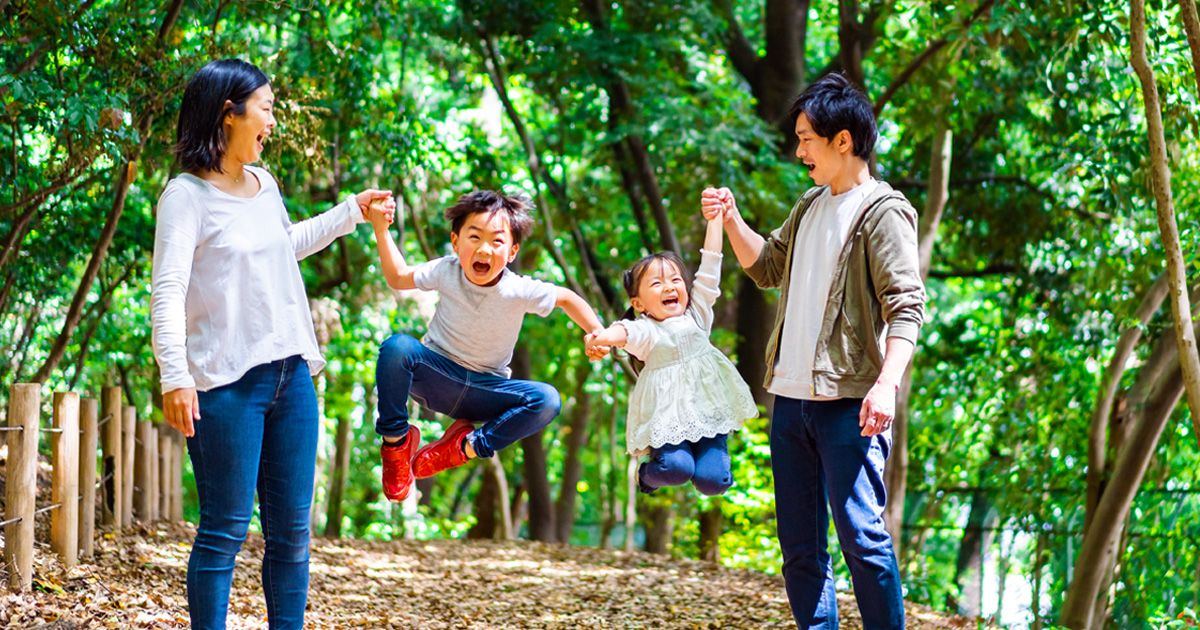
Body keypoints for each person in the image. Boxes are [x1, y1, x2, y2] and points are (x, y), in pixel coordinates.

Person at [151, 58, 394, 630]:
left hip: (292, 379)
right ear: (228, 114)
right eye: (266, 108)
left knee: (291, 534)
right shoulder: (184, 197)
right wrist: (175, 376)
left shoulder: (265, 186)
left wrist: (349, 212)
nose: (272, 122)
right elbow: (168, 291)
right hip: (226, 385)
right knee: (225, 530)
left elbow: (284, 246)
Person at [702, 72, 925, 629]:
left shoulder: (883, 211)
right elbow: (766, 266)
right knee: (801, 550)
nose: (799, 149)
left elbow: (907, 306)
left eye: (806, 138)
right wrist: (731, 219)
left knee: (863, 541)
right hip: (790, 401)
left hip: (849, 403)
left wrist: (885, 384)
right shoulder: (809, 206)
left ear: (842, 140)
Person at [368, 189, 608, 502]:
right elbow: (399, 277)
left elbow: (566, 298)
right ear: (456, 243)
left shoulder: (518, 289)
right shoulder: (446, 270)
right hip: (435, 378)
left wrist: (596, 332)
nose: (485, 248)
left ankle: (463, 447)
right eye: (474, 237)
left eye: (497, 241)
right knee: (397, 347)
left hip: (484, 391)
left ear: (511, 252)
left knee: (547, 399)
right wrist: (380, 227)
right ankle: (396, 446)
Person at [584, 216, 756, 496]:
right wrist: (598, 338)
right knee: (676, 469)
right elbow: (622, 332)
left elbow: (711, 262)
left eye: (675, 280)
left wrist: (715, 220)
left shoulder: (698, 314)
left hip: (709, 414)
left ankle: (717, 471)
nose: (669, 287)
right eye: (656, 283)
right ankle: (647, 477)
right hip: (669, 420)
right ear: (638, 303)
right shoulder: (647, 331)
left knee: (714, 481)